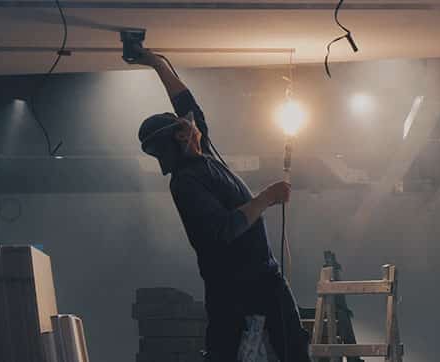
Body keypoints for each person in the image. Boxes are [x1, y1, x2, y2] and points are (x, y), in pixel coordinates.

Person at [133, 48, 311, 362]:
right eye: (185, 125)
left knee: (294, 349)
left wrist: (157, 64)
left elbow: (185, 103)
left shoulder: (203, 155)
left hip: (264, 277)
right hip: (234, 289)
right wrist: (266, 198)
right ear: (181, 137)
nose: (191, 122)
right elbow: (225, 230)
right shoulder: (187, 182)